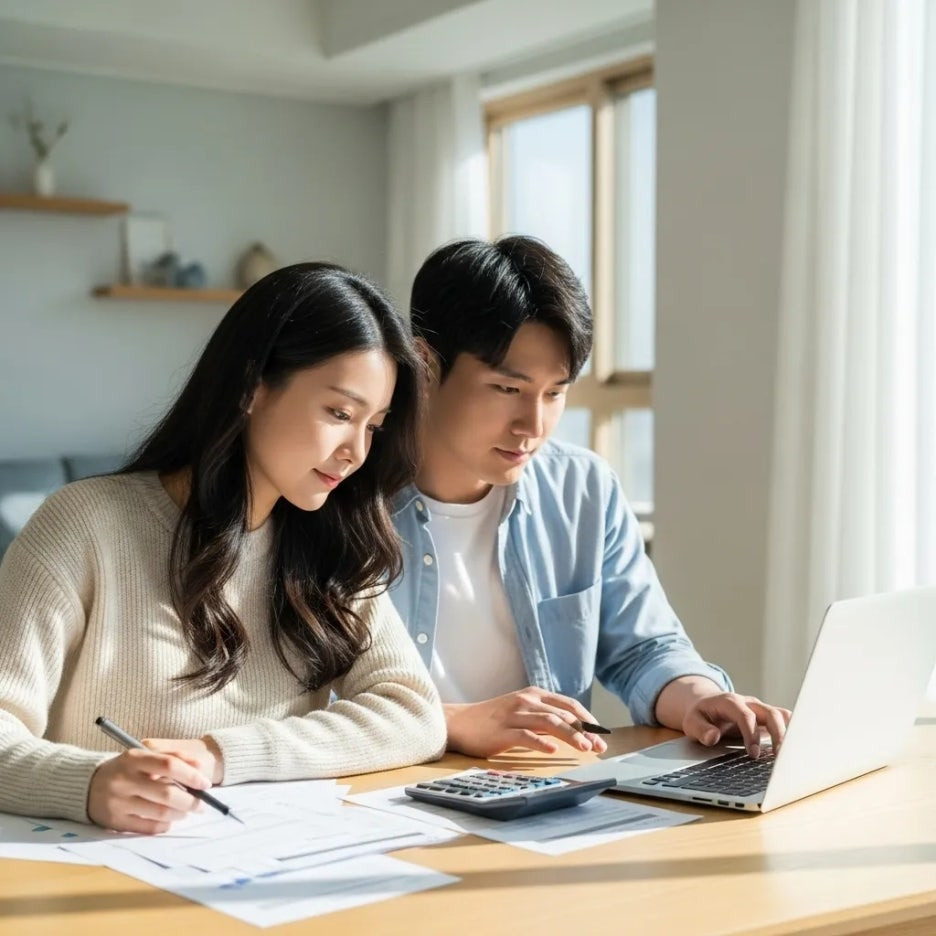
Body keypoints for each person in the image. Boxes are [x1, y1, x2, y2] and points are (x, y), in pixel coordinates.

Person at [0, 262, 446, 833]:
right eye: (339, 413)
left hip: (261, 874)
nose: (355, 452)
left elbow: (413, 715)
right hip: (99, 875)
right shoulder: (85, 526)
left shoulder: (332, 543)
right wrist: (88, 783)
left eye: (373, 426)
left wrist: (220, 755)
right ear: (251, 388)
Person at [390, 235, 790, 760]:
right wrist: (454, 722)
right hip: (386, 796)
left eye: (554, 393)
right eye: (508, 390)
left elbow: (644, 648)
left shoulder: (583, 490)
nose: (533, 426)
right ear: (425, 364)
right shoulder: (338, 499)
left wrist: (702, 699)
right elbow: (306, 703)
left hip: (548, 796)